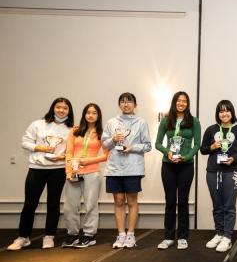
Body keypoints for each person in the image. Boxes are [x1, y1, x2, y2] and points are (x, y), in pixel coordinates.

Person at [8, 97, 74, 250]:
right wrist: (41, 148)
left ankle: (49, 237)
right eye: (58, 107)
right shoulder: (38, 124)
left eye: (65, 108)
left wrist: (62, 157)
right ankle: (23, 237)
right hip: (36, 169)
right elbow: (25, 142)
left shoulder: (71, 129)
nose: (61, 110)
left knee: (53, 203)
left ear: (69, 111)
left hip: (58, 170)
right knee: (30, 204)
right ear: (53, 108)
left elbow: (72, 151)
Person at [102, 92, 152, 249]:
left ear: (135, 105)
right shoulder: (111, 123)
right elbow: (104, 144)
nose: (126, 104)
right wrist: (113, 139)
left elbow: (148, 145)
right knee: (118, 201)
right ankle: (121, 234)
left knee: (131, 201)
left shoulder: (141, 122)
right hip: (114, 168)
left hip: (133, 168)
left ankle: (130, 234)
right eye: (122, 101)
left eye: (129, 101)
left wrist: (132, 148)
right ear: (119, 105)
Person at [155, 91, 201, 250]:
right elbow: (158, 143)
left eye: (185, 101)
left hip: (186, 165)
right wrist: (167, 152)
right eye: (179, 101)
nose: (181, 103)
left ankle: (182, 236)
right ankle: (168, 237)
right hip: (168, 164)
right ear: (174, 102)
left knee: (182, 201)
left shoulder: (194, 121)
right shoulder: (166, 120)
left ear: (188, 104)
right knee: (169, 201)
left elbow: (197, 145)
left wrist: (187, 157)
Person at [200, 100, 237, 252]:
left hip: (232, 172)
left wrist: (233, 158)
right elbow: (203, 149)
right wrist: (212, 146)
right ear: (218, 114)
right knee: (217, 205)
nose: (224, 114)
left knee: (229, 206)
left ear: (232, 112)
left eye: (227, 111)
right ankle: (219, 233)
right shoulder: (211, 129)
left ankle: (227, 237)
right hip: (213, 171)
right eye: (221, 111)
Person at [63, 103, 109, 248]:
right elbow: (69, 152)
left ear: (98, 116)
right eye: (88, 112)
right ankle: (73, 234)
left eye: (94, 113)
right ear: (84, 114)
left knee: (90, 205)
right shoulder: (74, 131)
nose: (90, 115)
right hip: (74, 172)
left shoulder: (102, 133)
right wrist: (68, 170)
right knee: (70, 206)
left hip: (92, 173)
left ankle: (89, 235)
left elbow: (106, 156)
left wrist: (89, 160)